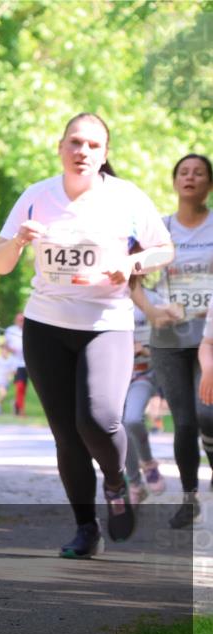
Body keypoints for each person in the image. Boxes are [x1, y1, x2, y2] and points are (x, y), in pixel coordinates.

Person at [0, 112, 173, 558]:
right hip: (46, 326)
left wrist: (131, 264)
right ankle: (86, 529)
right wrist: (16, 243)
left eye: (93, 145)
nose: (82, 151)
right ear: (60, 147)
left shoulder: (125, 197)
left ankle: (116, 481)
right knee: (67, 435)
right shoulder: (37, 196)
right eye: (75, 142)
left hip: (105, 323)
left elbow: (164, 248)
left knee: (98, 418)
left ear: (104, 153)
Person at [132, 153, 213, 527]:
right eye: (183, 172)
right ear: (175, 181)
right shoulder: (160, 230)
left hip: (210, 337)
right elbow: (128, 274)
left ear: (209, 184)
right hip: (168, 338)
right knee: (183, 422)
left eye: (199, 173)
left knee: (207, 414)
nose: (190, 177)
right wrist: (151, 311)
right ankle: (190, 499)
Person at [122, 287, 167, 506]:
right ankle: (134, 484)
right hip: (114, 376)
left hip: (144, 373)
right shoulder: (101, 295)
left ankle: (148, 463)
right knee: (119, 429)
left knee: (131, 419)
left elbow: (168, 342)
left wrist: (143, 349)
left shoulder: (155, 299)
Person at [4, 313, 28, 416]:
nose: (21, 322)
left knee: (24, 387)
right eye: (19, 320)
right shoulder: (10, 330)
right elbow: (5, 345)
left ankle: (17, 405)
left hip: (29, 363)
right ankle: (20, 409)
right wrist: (10, 349)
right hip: (16, 363)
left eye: (23, 320)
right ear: (15, 321)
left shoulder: (30, 330)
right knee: (20, 386)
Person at [0, 342, 18, 417]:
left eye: (6, 351)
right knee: (3, 393)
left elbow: (14, 371)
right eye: (3, 350)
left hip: (6, 381)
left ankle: (0, 407)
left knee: (3, 395)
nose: (4, 352)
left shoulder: (11, 360)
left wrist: (10, 373)